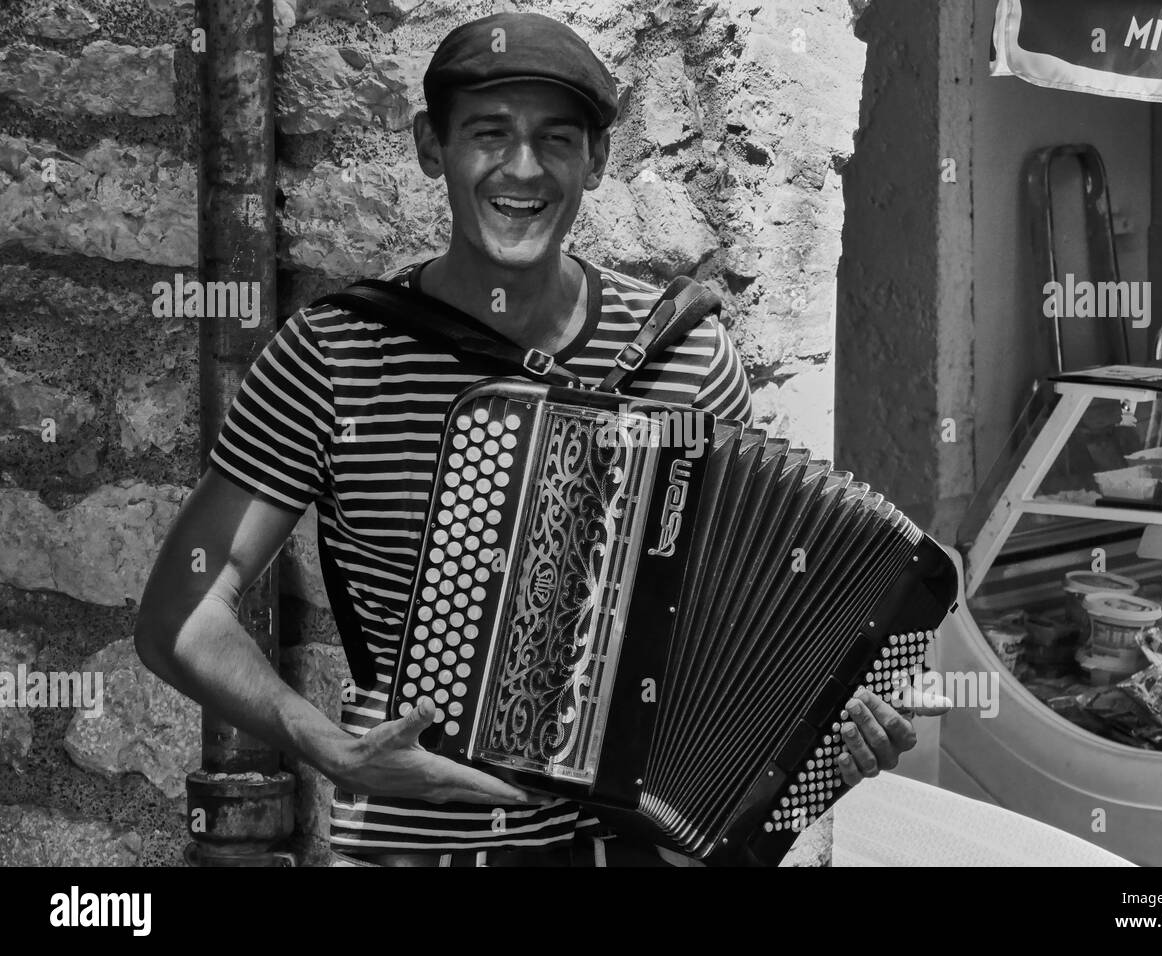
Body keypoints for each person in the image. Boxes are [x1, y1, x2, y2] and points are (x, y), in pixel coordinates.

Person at [134, 10, 947, 867]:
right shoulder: (336, 356)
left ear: (595, 160)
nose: (522, 168)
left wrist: (826, 736)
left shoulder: (690, 357)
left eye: (556, 139)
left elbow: (743, 634)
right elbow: (180, 612)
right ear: (428, 146)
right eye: (489, 133)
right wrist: (327, 748)